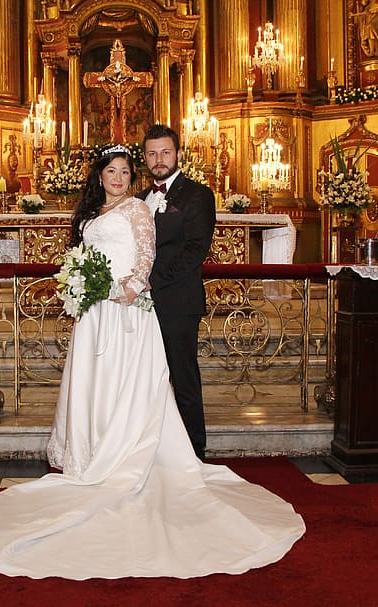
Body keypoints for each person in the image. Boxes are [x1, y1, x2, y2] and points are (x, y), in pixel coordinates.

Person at [0, 145, 305, 580]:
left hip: (126, 310)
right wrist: (81, 284)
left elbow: (146, 256)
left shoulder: (139, 209)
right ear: (100, 176)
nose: (119, 178)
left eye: (125, 171)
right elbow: (82, 257)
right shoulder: (89, 214)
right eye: (112, 171)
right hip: (94, 314)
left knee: (129, 383)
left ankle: (127, 454)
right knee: (95, 383)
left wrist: (130, 287)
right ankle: (93, 452)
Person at [140, 124, 215, 460]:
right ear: (145, 158)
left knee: (183, 377)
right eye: (152, 153)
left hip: (178, 302)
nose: (159, 159)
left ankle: (195, 452)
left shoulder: (198, 195)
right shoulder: (139, 199)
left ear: (178, 154)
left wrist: (152, 279)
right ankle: (153, 449)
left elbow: (195, 249)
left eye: (165, 152)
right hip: (140, 305)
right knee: (146, 379)